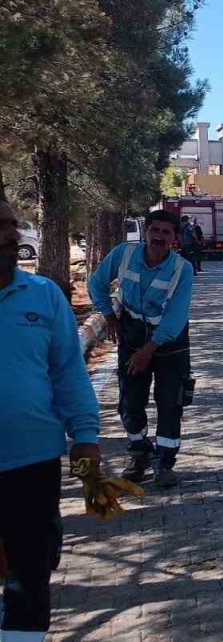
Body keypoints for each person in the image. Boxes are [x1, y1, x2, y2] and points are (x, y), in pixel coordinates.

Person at [0, 200, 101, 642]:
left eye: (11, 223)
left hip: (34, 464)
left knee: (30, 574)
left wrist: (86, 439)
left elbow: (68, 374)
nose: (10, 233)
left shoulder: (44, 296)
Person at [89, 209, 195, 489]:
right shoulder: (124, 254)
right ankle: (140, 454)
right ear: (145, 232)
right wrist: (109, 315)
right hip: (132, 333)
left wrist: (148, 350)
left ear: (175, 238)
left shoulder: (182, 269)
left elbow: (175, 317)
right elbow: (97, 284)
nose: (159, 237)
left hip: (170, 341)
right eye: (154, 230)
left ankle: (164, 463)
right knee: (130, 402)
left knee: (170, 402)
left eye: (166, 232)